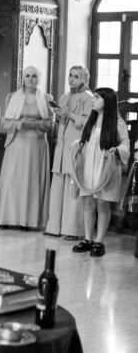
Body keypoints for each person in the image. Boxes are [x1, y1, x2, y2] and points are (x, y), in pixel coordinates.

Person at [0, 66, 54, 229]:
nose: (31, 79)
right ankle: (7, 218)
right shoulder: (12, 97)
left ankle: (28, 220)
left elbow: (50, 123)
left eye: (34, 76)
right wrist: (19, 123)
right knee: (12, 180)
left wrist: (34, 124)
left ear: (39, 79)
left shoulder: (46, 98)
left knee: (31, 182)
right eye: (28, 75)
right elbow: (5, 122)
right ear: (23, 78)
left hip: (36, 145)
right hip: (16, 143)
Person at [71, 87, 129, 257]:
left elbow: (125, 144)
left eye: (96, 97)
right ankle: (88, 239)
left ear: (107, 101)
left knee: (102, 204)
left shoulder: (118, 123)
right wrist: (79, 145)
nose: (93, 100)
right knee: (88, 202)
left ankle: (99, 241)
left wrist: (116, 150)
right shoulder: (91, 121)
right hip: (89, 165)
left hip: (105, 167)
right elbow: (85, 140)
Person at [44, 66, 93, 240]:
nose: (71, 79)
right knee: (58, 187)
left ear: (84, 79)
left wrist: (69, 114)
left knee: (73, 189)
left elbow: (88, 123)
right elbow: (62, 123)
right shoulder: (64, 97)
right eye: (70, 75)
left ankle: (73, 230)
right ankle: (54, 227)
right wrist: (58, 114)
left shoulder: (89, 98)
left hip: (76, 147)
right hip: (61, 147)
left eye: (76, 76)